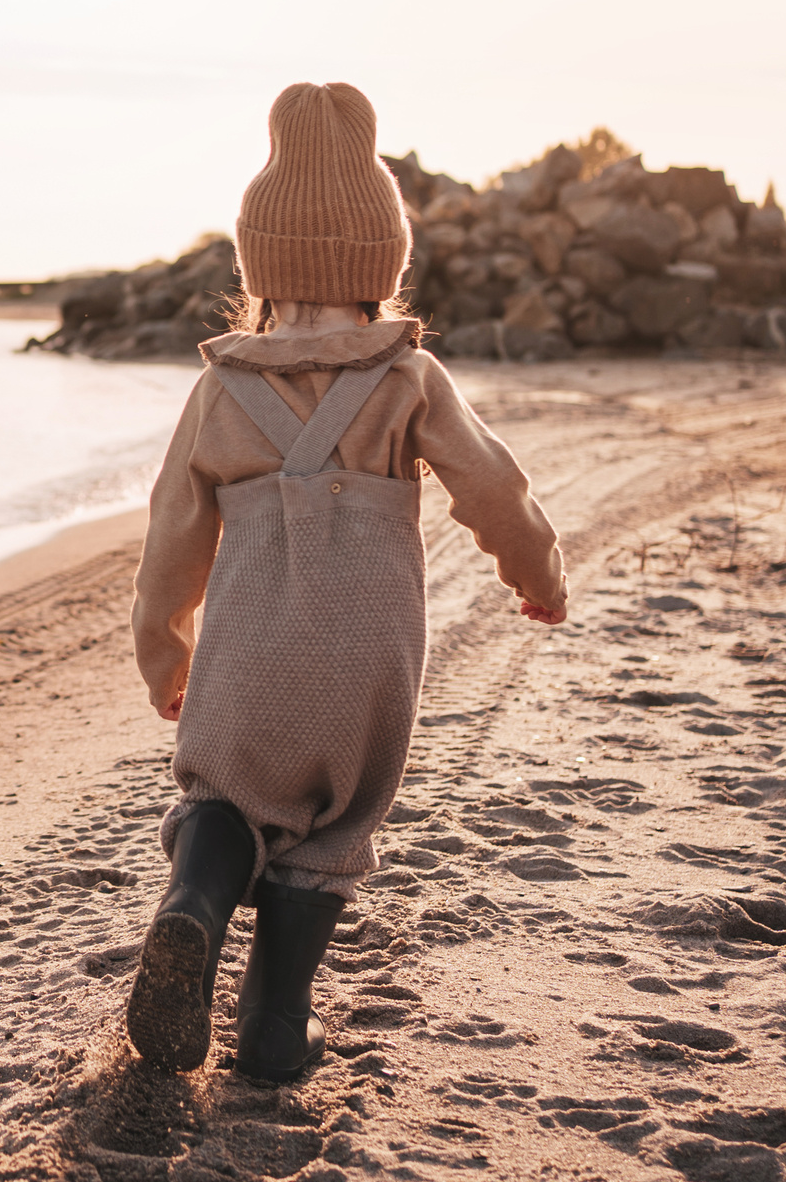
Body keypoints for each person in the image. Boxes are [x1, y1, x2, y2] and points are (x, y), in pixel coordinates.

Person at [124, 82, 567, 1080]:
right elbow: (491, 485)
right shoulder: (408, 377)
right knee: (329, 830)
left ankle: (193, 903)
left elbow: (171, 537)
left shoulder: (222, 387)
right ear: (383, 263)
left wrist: (165, 652)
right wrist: (535, 569)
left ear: (258, 264)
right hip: (364, 674)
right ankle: (276, 1023)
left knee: (224, 795)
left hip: (244, 659)